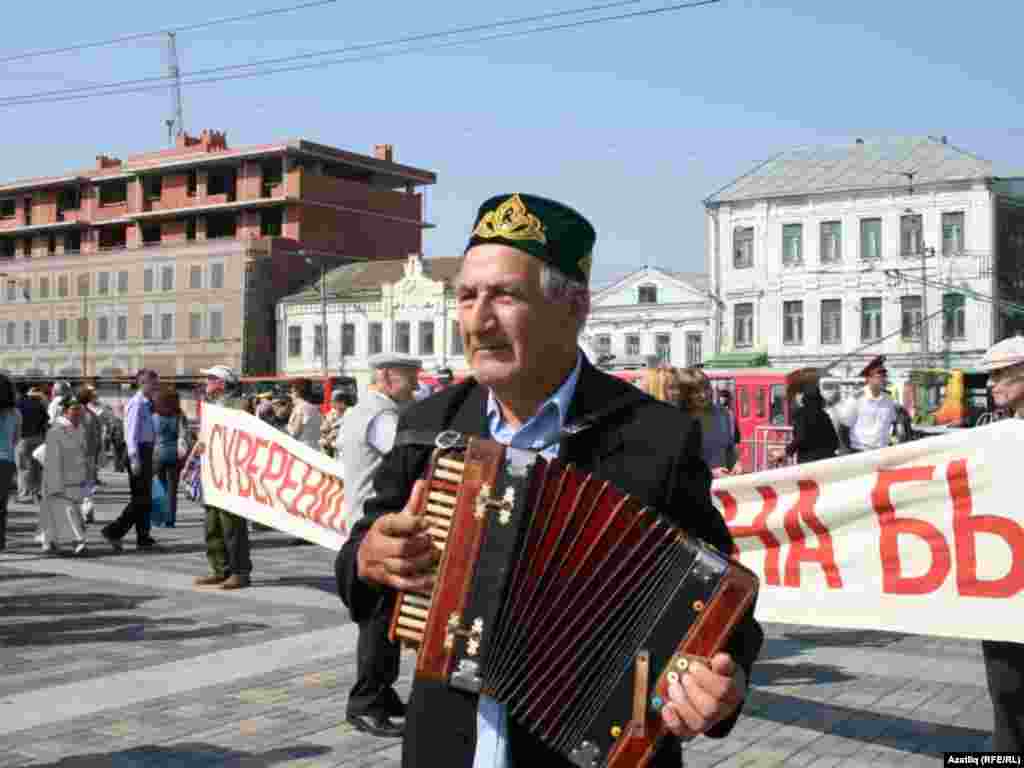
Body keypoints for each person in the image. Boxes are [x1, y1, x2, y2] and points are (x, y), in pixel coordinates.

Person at [335, 193, 762, 767]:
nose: (479, 320)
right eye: (466, 297)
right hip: (447, 747)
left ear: (575, 307)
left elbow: (719, 600)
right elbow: (355, 568)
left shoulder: (653, 435)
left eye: (505, 296)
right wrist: (367, 558)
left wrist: (720, 685)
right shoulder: (426, 428)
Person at [339, 352, 422, 738]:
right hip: (376, 528)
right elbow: (410, 456)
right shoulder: (383, 418)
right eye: (410, 378)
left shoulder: (362, 411)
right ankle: (366, 703)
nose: (417, 386)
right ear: (387, 376)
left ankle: (382, 695)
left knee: (384, 618)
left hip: (367, 525)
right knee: (378, 620)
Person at [977, 336, 1024, 751]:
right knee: (1005, 691)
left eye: (999, 374)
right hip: (1001, 578)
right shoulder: (995, 431)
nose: (991, 383)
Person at [190, 365, 253, 590]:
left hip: (231, 474)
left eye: (211, 378)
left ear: (222, 383)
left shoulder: (239, 404)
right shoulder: (210, 405)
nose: (206, 381)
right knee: (212, 524)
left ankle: (240, 571)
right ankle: (220, 569)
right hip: (212, 471)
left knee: (232, 525)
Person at [102, 369, 159, 551]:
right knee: (140, 499)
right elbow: (131, 432)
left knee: (145, 498)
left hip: (147, 450)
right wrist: (134, 458)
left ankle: (143, 536)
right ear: (143, 383)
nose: (156, 386)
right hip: (138, 451)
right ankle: (114, 531)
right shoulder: (137, 404)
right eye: (153, 382)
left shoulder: (148, 403)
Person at [39, 395, 90, 556]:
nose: (78, 413)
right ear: (65, 412)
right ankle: (78, 541)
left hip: (76, 477)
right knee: (68, 510)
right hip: (59, 477)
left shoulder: (80, 428)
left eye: (79, 409)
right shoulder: (57, 430)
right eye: (74, 409)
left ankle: (49, 541)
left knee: (63, 511)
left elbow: (83, 453)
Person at [678, 367, 741, 478]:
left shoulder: (725, 415)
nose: (704, 395)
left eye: (706, 388)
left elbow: (730, 450)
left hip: (722, 489)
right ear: (685, 394)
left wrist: (736, 464)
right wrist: (710, 473)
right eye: (696, 392)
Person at [837, 356, 899, 453]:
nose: (883, 378)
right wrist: (847, 451)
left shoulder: (888, 399)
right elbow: (843, 428)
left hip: (884, 451)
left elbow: (894, 422)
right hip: (860, 452)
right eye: (879, 375)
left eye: (884, 375)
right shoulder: (856, 400)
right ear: (868, 378)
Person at [780, 368, 839, 465]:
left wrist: (786, 452)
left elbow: (801, 437)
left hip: (809, 463)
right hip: (828, 461)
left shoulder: (801, 415)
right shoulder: (824, 415)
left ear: (800, 397)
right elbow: (835, 442)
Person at [153, 386, 185, 528]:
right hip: (174, 455)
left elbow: (151, 436)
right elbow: (184, 435)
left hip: (158, 454)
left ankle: (158, 518)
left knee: (159, 487)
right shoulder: (179, 415)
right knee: (172, 490)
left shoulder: (154, 416)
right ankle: (170, 519)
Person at [16, 385, 48, 502]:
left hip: (23, 438)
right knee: (36, 467)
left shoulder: (17, 405)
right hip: (39, 438)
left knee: (23, 467)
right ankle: (37, 492)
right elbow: (46, 420)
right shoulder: (38, 404)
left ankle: (24, 494)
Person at [77, 387, 103, 524]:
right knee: (87, 486)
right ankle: (88, 511)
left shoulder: (72, 414)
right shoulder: (92, 415)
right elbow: (98, 437)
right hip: (89, 454)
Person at [0, 375, 20, 550]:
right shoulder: (15, 413)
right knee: (2, 504)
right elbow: (16, 439)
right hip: (6, 460)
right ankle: (1, 540)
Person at [320, 391, 349, 458]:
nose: (331, 404)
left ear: (342, 402)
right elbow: (323, 430)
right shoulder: (330, 414)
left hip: (342, 452)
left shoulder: (349, 415)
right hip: (330, 451)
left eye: (334, 401)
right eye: (331, 401)